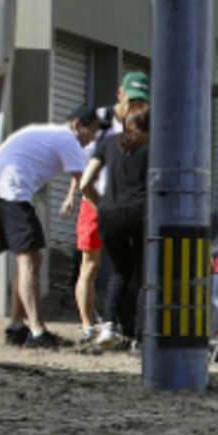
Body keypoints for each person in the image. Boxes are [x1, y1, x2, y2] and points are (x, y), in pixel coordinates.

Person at [0, 106, 108, 349]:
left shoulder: (47, 133)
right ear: (78, 124)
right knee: (30, 260)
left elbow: (4, 156)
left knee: (30, 260)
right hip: (10, 192)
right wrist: (104, 210)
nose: (93, 137)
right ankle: (37, 332)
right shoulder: (67, 139)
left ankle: (17, 326)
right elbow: (84, 183)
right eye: (93, 131)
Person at [63, 72, 151, 344]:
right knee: (101, 267)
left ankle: (117, 326)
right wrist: (78, 196)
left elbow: (86, 175)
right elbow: (79, 160)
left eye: (140, 101)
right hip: (112, 204)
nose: (135, 105)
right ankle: (93, 326)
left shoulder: (123, 135)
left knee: (122, 271)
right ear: (120, 94)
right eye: (132, 99)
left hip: (110, 207)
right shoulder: (100, 120)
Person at [84, 103, 150, 353]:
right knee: (143, 275)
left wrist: (100, 205)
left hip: (109, 214)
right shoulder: (153, 146)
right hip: (141, 213)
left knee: (119, 271)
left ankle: (109, 326)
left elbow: (85, 182)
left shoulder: (108, 143)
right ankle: (139, 338)